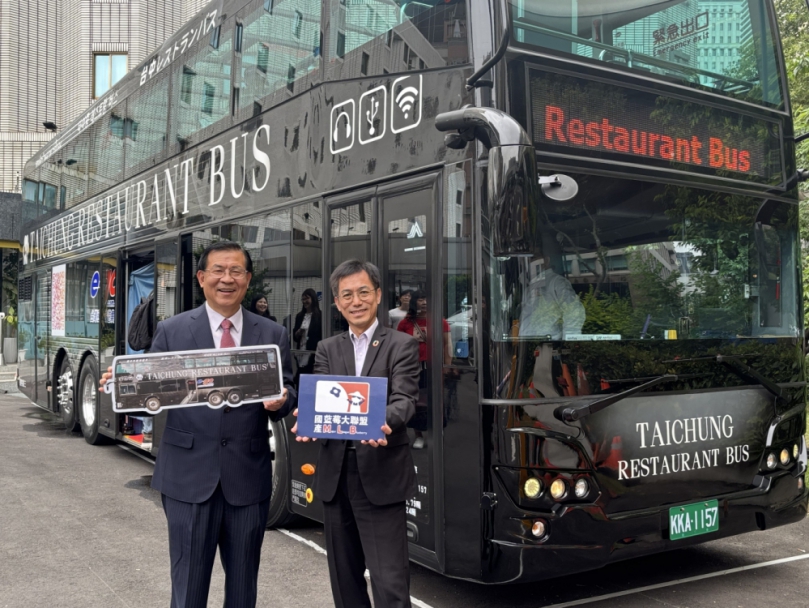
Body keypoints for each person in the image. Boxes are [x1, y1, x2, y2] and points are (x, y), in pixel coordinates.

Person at [101, 241, 296, 608]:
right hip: (187, 479)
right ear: (202, 278)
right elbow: (150, 392)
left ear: (248, 279)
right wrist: (124, 383)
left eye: (236, 271)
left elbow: (290, 393)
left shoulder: (273, 334)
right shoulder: (173, 331)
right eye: (219, 271)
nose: (227, 278)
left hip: (246, 480)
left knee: (242, 590)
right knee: (188, 589)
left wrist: (283, 400)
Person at [292, 259, 420, 608]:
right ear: (336, 302)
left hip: (380, 472)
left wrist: (384, 421)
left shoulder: (400, 345)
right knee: (345, 584)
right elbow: (320, 400)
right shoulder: (327, 348)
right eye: (346, 295)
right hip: (335, 476)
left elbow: (404, 400)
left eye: (363, 292)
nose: (356, 301)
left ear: (378, 295)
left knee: (390, 584)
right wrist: (308, 418)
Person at [396, 291, 452, 448]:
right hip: (412, 367)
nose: (424, 302)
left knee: (436, 400)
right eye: (421, 299)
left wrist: (447, 365)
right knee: (415, 401)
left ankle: (436, 430)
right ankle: (418, 435)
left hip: (434, 366)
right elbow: (398, 347)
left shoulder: (439, 321)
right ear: (415, 302)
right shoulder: (405, 323)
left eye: (427, 299)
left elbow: (447, 344)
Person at [292, 287, 322, 376]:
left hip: (313, 352)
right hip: (301, 350)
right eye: (303, 299)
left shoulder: (320, 316)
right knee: (300, 373)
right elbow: (294, 336)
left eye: (307, 298)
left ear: (313, 299)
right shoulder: (299, 316)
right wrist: (298, 333)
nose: (304, 301)